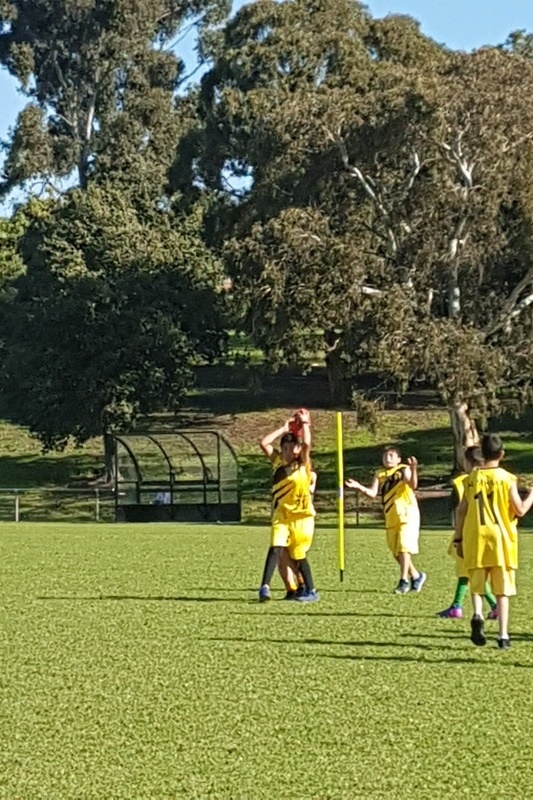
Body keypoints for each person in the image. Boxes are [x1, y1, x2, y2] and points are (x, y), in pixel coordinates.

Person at [455, 433, 533, 649]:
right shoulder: (507, 479)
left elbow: (462, 510)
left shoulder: (471, 479)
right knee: (502, 590)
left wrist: (458, 538)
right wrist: (532, 495)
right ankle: (503, 636)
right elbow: (519, 509)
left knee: (477, 585)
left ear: (481, 454)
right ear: (502, 454)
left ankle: (478, 614)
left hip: (476, 535)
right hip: (501, 539)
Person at [345, 445, 426, 594]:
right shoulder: (380, 473)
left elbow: (412, 485)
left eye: (391, 456)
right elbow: (372, 493)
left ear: (398, 459)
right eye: (385, 456)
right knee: (396, 552)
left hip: (407, 514)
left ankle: (403, 581)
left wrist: (414, 469)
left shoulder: (403, 469)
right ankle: (416, 575)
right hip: (391, 516)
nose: (387, 459)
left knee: (403, 547)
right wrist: (358, 487)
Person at [258, 411, 319, 603]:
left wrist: (305, 424)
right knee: (276, 547)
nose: (287, 450)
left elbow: (307, 444)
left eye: (292, 447)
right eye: (284, 447)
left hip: (302, 518)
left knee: (298, 555)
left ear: (297, 449)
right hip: (282, 515)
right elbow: (264, 443)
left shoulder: (303, 464)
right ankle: (264, 587)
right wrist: (283, 429)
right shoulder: (278, 462)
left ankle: (309, 589)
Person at [436, 446, 498, 619]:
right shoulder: (496, 478)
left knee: (469, 571)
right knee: (470, 572)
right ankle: (458, 605)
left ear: (467, 461)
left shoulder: (463, 481)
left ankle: (489, 605)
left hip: (469, 532)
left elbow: (458, 508)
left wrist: (457, 535)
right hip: (493, 532)